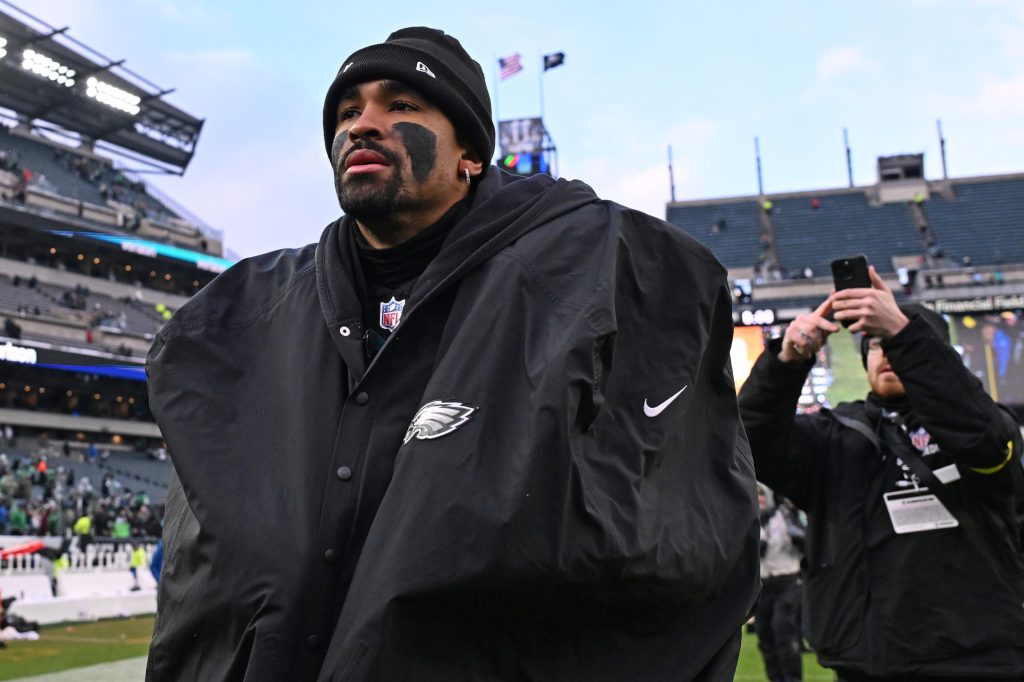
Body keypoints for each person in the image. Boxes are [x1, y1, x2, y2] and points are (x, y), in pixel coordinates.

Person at [145, 26, 758, 682]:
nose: (363, 126)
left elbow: (672, 524)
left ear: (470, 154)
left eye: (401, 107)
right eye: (348, 112)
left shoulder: (576, 273)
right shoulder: (257, 309)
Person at [739, 265, 1024, 681]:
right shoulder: (835, 436)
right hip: (867, 662)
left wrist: (905, 333)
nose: (886, 352)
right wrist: (784, 364)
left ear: (932, 356)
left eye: (895, 342)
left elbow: (983, 438)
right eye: (875, 345)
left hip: (977, 658)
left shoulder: (983, 425)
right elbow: (748, 442)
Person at [755, 484, 805, 682]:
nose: (759, 500)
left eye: (762, 496)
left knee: (783, 631)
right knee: (765, 636)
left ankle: (792, 679)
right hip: (762, 583)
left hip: (787, 578)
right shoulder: (752, 518)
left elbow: (804, 538)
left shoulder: (785, 515)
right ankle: (775, 679)